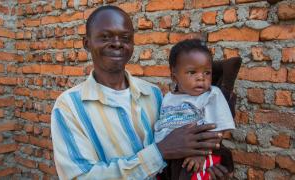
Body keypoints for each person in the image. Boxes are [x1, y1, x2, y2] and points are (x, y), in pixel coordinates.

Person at [51, 5, 230, 179]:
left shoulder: (153, 94)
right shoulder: (69, 107)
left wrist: (204, 168)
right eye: (105, 37)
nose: (116, 44)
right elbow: (81, 176)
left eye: (125, 37)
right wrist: (159, 153)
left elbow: (184, 148)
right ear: (86, 43)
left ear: (133, 43)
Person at [154, 39, 235, 180]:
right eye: (192, 72)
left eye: (207, 73)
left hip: (200, 155)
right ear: (175, 77)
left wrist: (201, 153)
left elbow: (219, 128)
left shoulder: (211, 94)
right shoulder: (167, 98)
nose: (201, 78)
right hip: (169, 156)